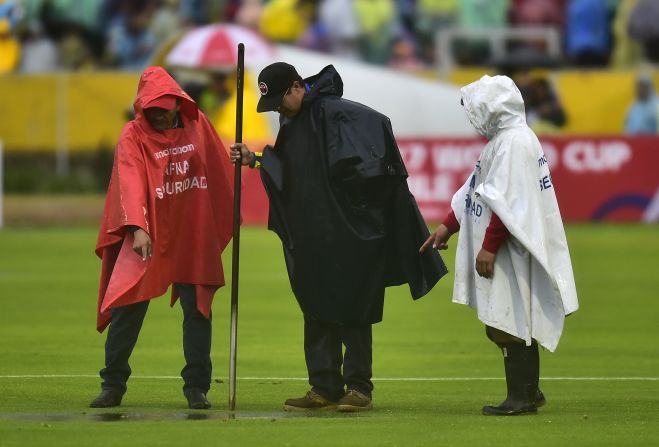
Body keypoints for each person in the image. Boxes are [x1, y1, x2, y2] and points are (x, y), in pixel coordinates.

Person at [230, 62, 447, 412]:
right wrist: (255, 159)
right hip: (314, 234)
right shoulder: (294, 121)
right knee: (315, 306)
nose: (279, 111)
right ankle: (324, 386)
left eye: (281, 102)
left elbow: (378, 142)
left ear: (297, 87)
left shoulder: (341, 114)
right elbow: (291, 170)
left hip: (351, 232)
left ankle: (359, 388)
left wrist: (362, 207)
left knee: (353, 307)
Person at [421, 75, 579, 416]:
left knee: (507, 321)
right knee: (506, 320)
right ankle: (529, 391)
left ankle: (521, 397)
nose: (473, 115)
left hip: (509, 248)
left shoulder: (514, 143)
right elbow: (477, 189)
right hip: (505, 244)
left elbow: (511, 200)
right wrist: (448, 226)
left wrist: (489, 246)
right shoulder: (505, 140)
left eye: (476, 107)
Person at [91, 66, 234, 410]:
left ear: (177, 104)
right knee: (128, 305)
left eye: (164, 109)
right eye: (151, 109)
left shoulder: (198, 127)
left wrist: (226, 207)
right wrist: (138, 227)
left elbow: (218, 168)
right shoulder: (132, 134)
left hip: (191, 231)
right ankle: (113, 383)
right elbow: (130, 179)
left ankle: (197, 386)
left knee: (198, 310)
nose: (158, 116)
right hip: (147, 232)